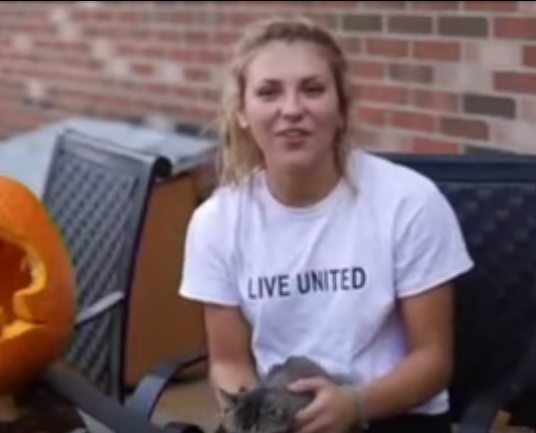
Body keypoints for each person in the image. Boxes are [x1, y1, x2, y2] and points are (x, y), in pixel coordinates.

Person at [178, 15, 473, 433]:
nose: (292, 109)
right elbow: (229, 363)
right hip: (280, 417)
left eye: (313, 89)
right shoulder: (216, 221)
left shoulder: (410, 202)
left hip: (389, 414)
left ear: (341, 108)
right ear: (242, 112)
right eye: (268, 92)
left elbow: (433, 361)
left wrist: (354, 405)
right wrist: (251, 424)